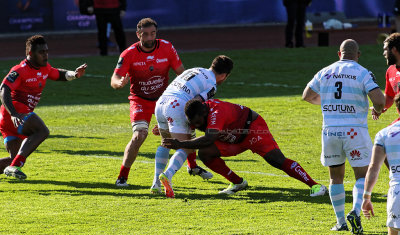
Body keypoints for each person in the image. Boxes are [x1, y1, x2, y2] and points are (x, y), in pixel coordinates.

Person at [111, 18, 211, 187]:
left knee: (187, 127)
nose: (150, 38)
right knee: (139, 136)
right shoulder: (129, 54)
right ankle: (122, 176)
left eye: (153, 34)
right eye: (145, 34)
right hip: (140, 101)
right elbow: (114, 78)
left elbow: (181, 73)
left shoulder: (166, 47)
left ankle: (192, 166)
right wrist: (119, 84)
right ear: (138, 35)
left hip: (165, 100)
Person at [162, 99, 327, 197]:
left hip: (252, 130)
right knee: (205, 153)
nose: (196, 126)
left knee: (276, 160)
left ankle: (316, 186)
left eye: (197, 122)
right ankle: (238, 183)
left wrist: (181, 144)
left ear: (204, 113)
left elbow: (209, 137)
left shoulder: (217, 112)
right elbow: (196, 132)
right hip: (232, 138)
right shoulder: (201, 111)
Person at [302, 39, 385, 233]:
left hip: (330, 131)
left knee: (335, 178)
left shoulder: (325, 71)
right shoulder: (362, 72)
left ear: (339, 54)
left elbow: (307, 95)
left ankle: (340, 223)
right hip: (355, 131)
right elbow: (379, 100)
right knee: (362, 175)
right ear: (358, 55)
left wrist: (327, 103)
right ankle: (355, 211)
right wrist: (378, 110)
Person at [0, 35, 87, 179]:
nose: (45, 55)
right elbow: (3, 89)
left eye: (46, 51)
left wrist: (74, 74)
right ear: (30, 54)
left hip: (10, 119)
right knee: (42, 131)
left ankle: (14, 165)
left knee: (13, 160)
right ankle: (15, 165)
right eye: (41, 52)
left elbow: (58, 74)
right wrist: (14, 113)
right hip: (16, 113)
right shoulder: (20, 70)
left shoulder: (44, 68)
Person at [153, 56, 233, 198]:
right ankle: (168, 175)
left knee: (165, 143)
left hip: (161, 103)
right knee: (187, 146)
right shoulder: (212, 84)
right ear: (224, 75)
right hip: (177, 105)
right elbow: (195, 103)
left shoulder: (195, 69)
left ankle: (155, 184)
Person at [362, 93, 400, 235]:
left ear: (397, 108)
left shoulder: (385, 134)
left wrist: (366, 197)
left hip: (397, 193)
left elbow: (373, 168)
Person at [371, 33, 400, 123]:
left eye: (385, 50)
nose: (384, 53)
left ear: (394, 49)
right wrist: (379, 107)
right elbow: (390, 97)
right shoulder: (390, 71)